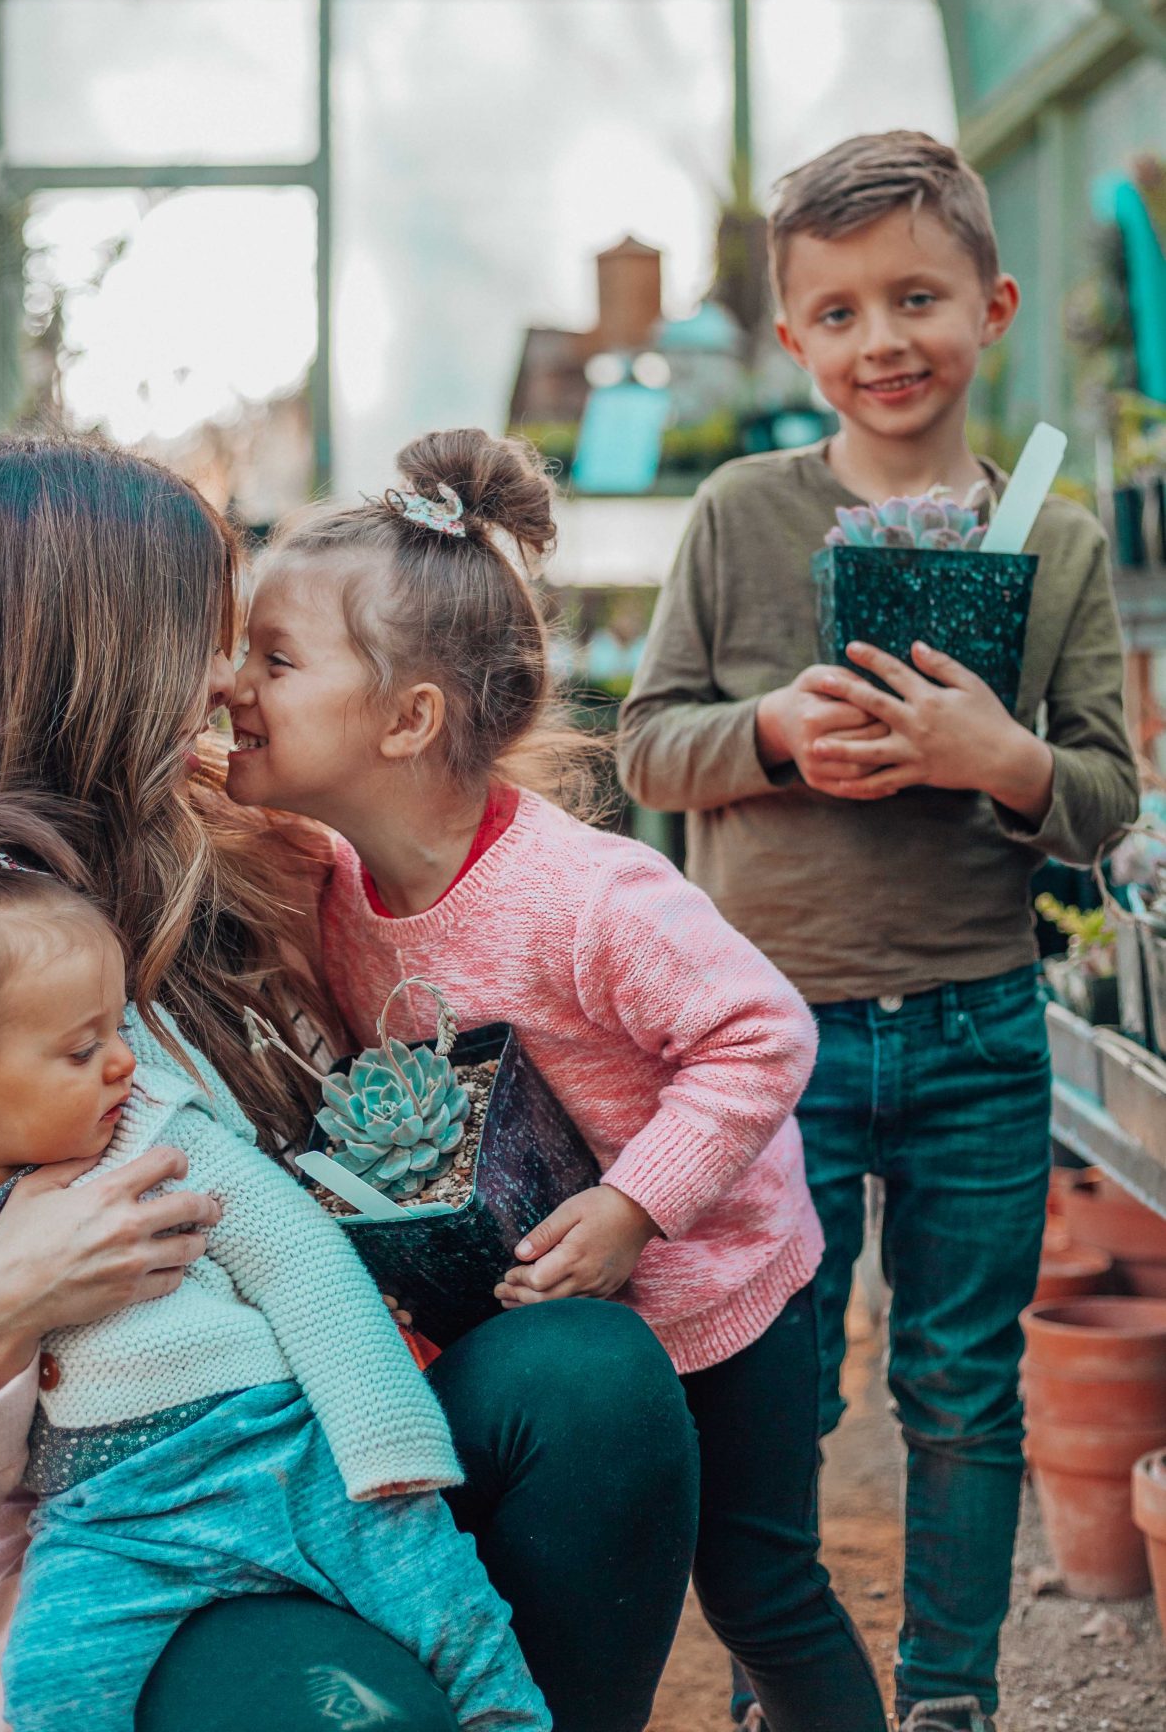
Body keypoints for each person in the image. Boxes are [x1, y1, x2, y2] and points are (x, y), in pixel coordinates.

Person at [0, 434, 698, 1732]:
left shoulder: (255, 866)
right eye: (200, 637)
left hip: (332, 1438)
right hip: (116, 1553)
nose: (227, 678)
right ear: (77, 671)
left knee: (590, 1378)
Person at [222, 425, 889, 1732]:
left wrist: (639, 1206)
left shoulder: (586, 895)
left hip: (721, 1292)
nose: (229, 685)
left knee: (760, 1589)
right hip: (550, 1313)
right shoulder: (329, 870)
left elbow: (763, 1033)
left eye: (273, 660)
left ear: (408, 720)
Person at [618, 131, 1139, 1732]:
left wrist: (1004, 767)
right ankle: (795, 1679)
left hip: (979, 1024)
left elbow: (1105, 792)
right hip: (761, 1041)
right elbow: (646, 744)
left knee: (963, 1398)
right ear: (793, 340)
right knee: (774, 1385)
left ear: (988, 307)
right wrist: (771, 734)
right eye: (838, 312)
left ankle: (948, 1701)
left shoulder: (1050, 535)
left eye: (916, 298)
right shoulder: (739, 513)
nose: (882, 340)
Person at [0, 790, 548, 1732]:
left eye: (117, 1028)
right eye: (81, 1051)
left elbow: (297, 1264)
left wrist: (383, 1440)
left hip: (281, 1457)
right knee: (54, 1688)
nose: (123, 1062)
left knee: (447, 1610)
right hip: (108, 1519)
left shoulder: (159, 1134)